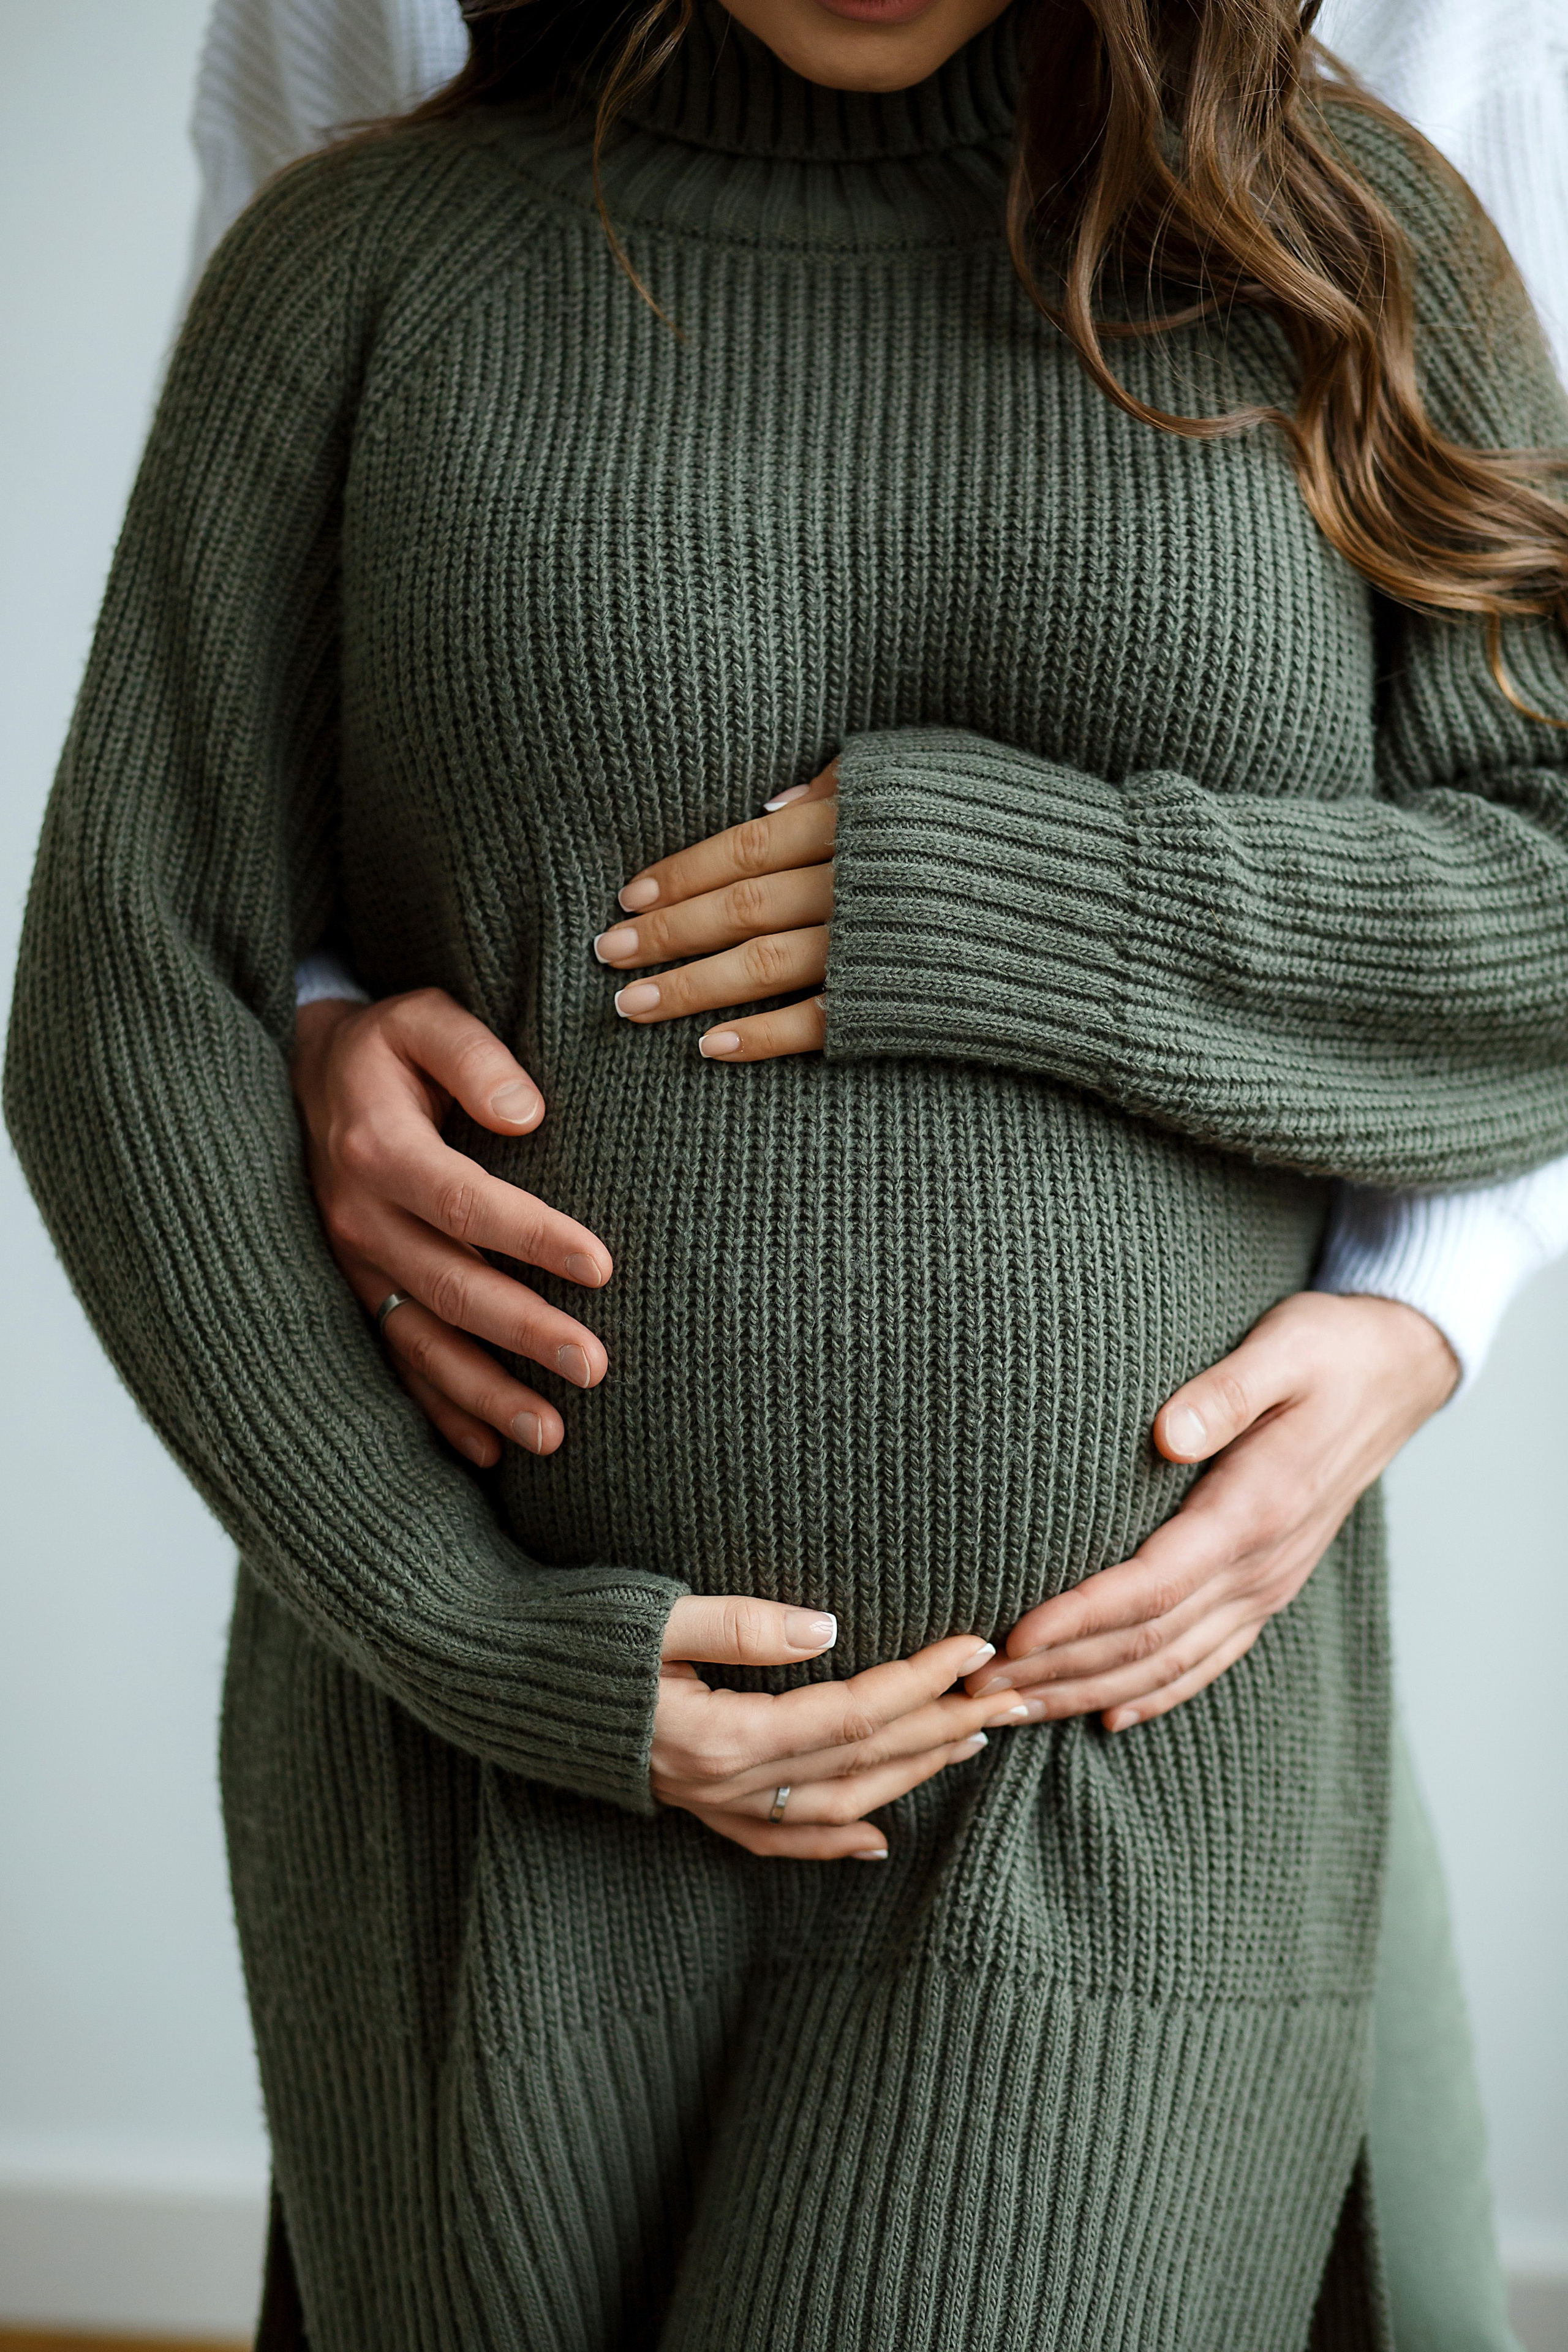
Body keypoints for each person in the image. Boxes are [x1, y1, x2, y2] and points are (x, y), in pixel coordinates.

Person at [10, 0, 1568, 2340]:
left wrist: (1052, 907)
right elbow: (124, 1002)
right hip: (497, 1795)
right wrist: (494, 1651)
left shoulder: (1347, 249)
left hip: (1104, 1789)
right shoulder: (363, 270)